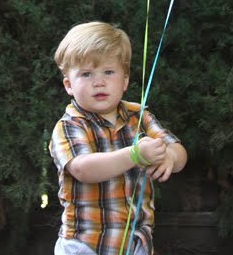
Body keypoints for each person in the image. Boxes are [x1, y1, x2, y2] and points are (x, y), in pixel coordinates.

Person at [50, 21, 188, 255]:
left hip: (136, 244)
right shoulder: (69, 125)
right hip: (83, 245)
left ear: (124, 80)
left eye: (108, 72)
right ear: (68, 85)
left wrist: (169, 157)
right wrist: (134, 155)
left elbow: (178, 151)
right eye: (86, 74)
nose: (99, 82)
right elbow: (83, 169)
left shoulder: (140, 116)